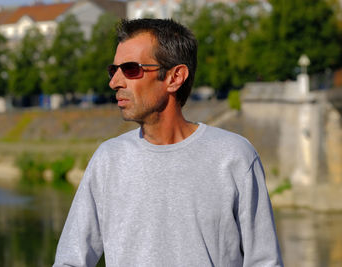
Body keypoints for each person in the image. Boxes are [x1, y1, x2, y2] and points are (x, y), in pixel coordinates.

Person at [53, 18, 283, 267]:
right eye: (113, 70)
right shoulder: (108, 159)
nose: (114, 82)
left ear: (175, 77)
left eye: (130, 69)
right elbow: (70, 261)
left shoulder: (234, 157)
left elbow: (264, 261)